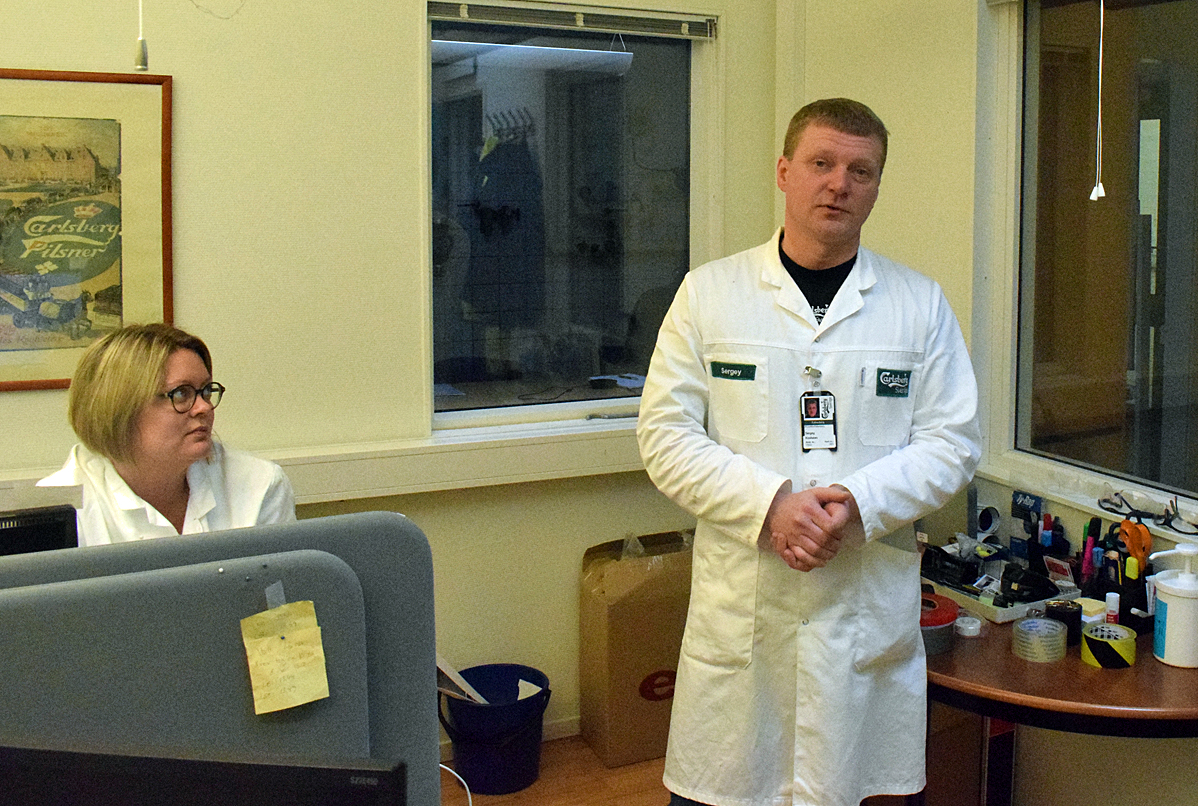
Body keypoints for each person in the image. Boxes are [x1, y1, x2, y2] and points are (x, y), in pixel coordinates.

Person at [636, 98, 982, 806]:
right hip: (746, 616)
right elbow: (665, 434)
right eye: (821, 163)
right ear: (784, 171)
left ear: (877, 187)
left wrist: (855, 502)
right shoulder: (710, 294)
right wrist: (771, 507)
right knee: (727, 790)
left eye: (861, 171)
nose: (839, 184)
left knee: (857, 787)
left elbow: (953, 442)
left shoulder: (918, 304)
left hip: (861, 616)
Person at [38, 323, 296, 546]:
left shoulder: (259, 484)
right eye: (181, 393)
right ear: (119, 408)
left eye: (206, 390)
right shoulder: (58, 511)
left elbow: (279, 587)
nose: (204, 407)